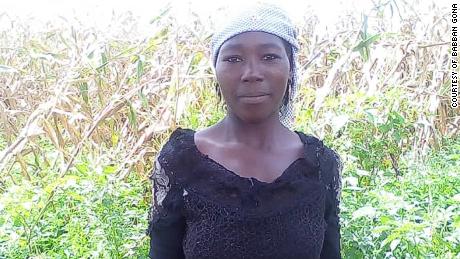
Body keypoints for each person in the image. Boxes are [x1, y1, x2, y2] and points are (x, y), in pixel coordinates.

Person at [146, 3, 342, 258]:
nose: (251, 73)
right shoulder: (181, 161)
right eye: (233, 59)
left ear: (291, 67)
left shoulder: (319, 166)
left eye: (269, 56)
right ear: (215, 71)